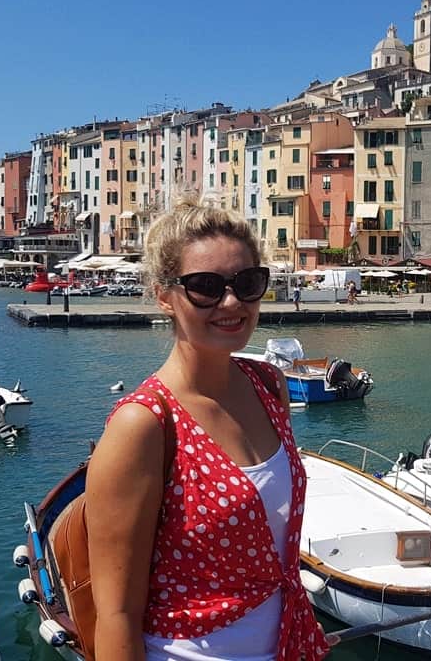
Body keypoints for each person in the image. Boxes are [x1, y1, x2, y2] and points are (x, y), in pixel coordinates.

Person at [85, 195, 332, 661]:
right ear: (164, 296)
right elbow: (116, 613)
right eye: (205, 287)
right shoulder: (144, 424)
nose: (232, 302)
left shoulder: (268, 384)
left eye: (247, 282)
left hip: (289, 644)